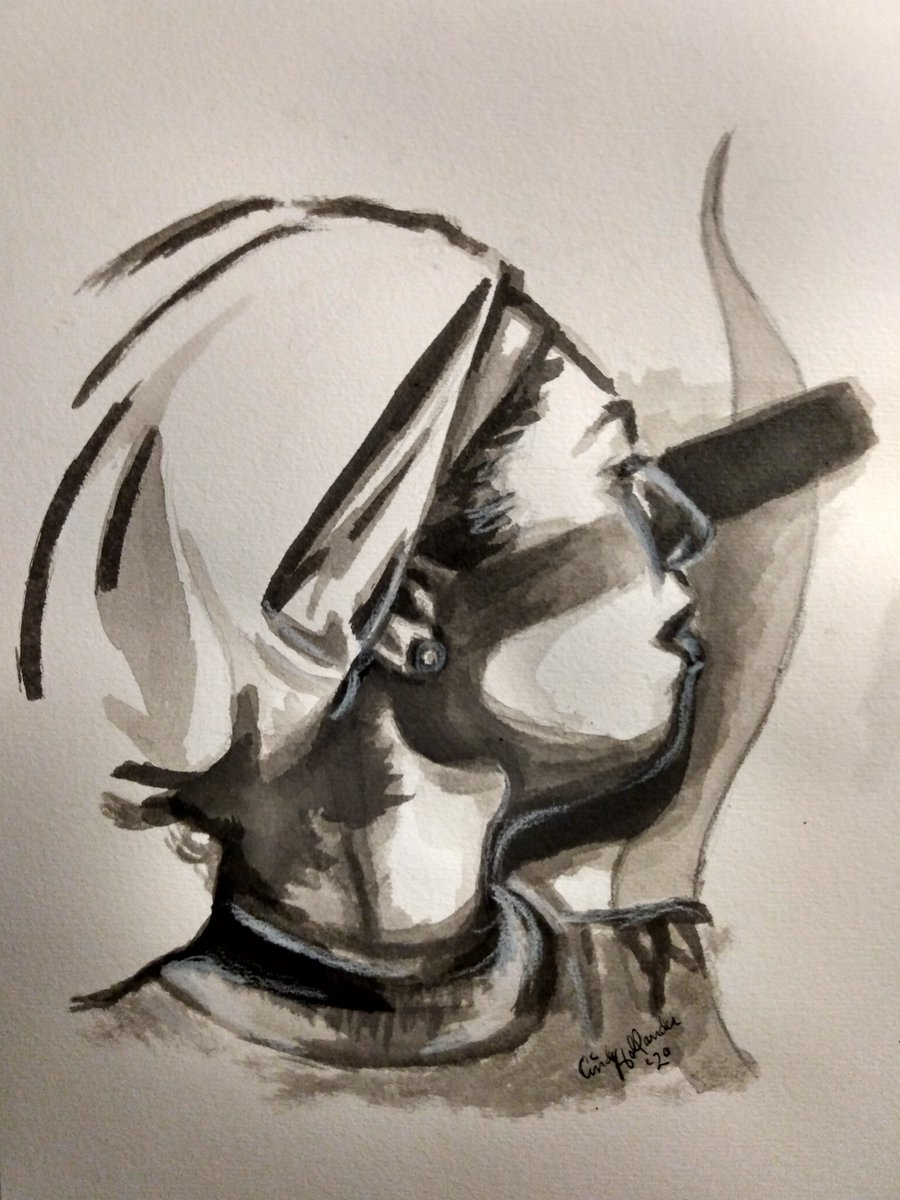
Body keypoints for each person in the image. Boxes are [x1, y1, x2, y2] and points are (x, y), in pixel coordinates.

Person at [18, 139, 872, 1104]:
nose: (683, 542)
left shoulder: (654, 1007)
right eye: (622, 488)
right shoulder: (113, 1083)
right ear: (403, 614)